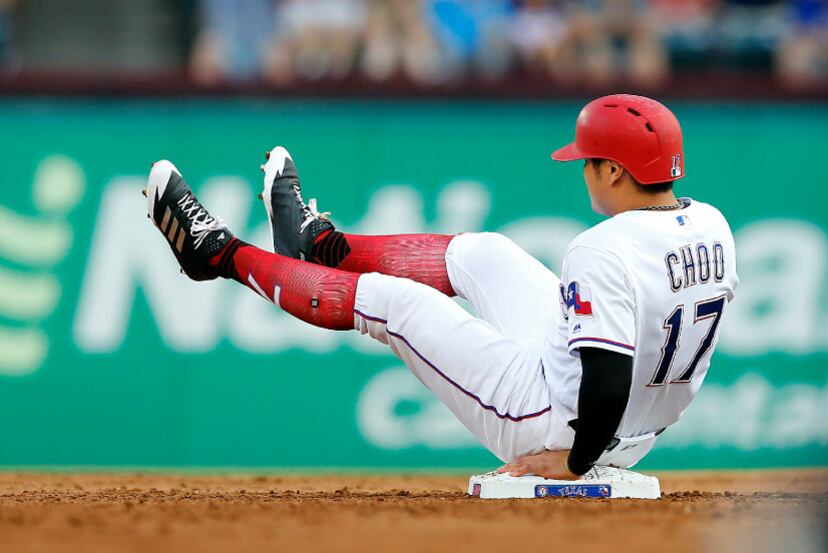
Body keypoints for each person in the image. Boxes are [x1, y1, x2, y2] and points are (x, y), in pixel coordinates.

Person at [143, 94, 738, 480]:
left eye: (587, 160)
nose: (582, 168)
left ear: (614, 170)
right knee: (489, 253)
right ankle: (320, 245)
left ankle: (215, 254)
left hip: (557, 422)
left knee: (395, 304)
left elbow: (606, 379)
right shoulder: (711, 225)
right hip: (626, 426)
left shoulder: (601, 247)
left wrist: (574, 463)